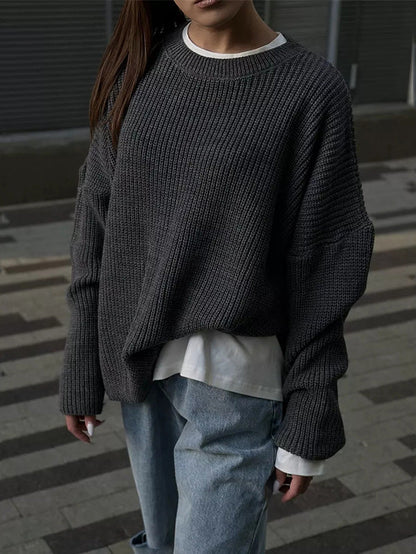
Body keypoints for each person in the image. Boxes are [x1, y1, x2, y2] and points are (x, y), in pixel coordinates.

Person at [59, 1, 375, 552]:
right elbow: (96, 225)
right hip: (141, 374)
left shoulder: (310, 88)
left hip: (237, 387)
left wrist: (311, 410)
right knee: (162, 545)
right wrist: (82, 360)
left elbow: (327, 261)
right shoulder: (140, 70)